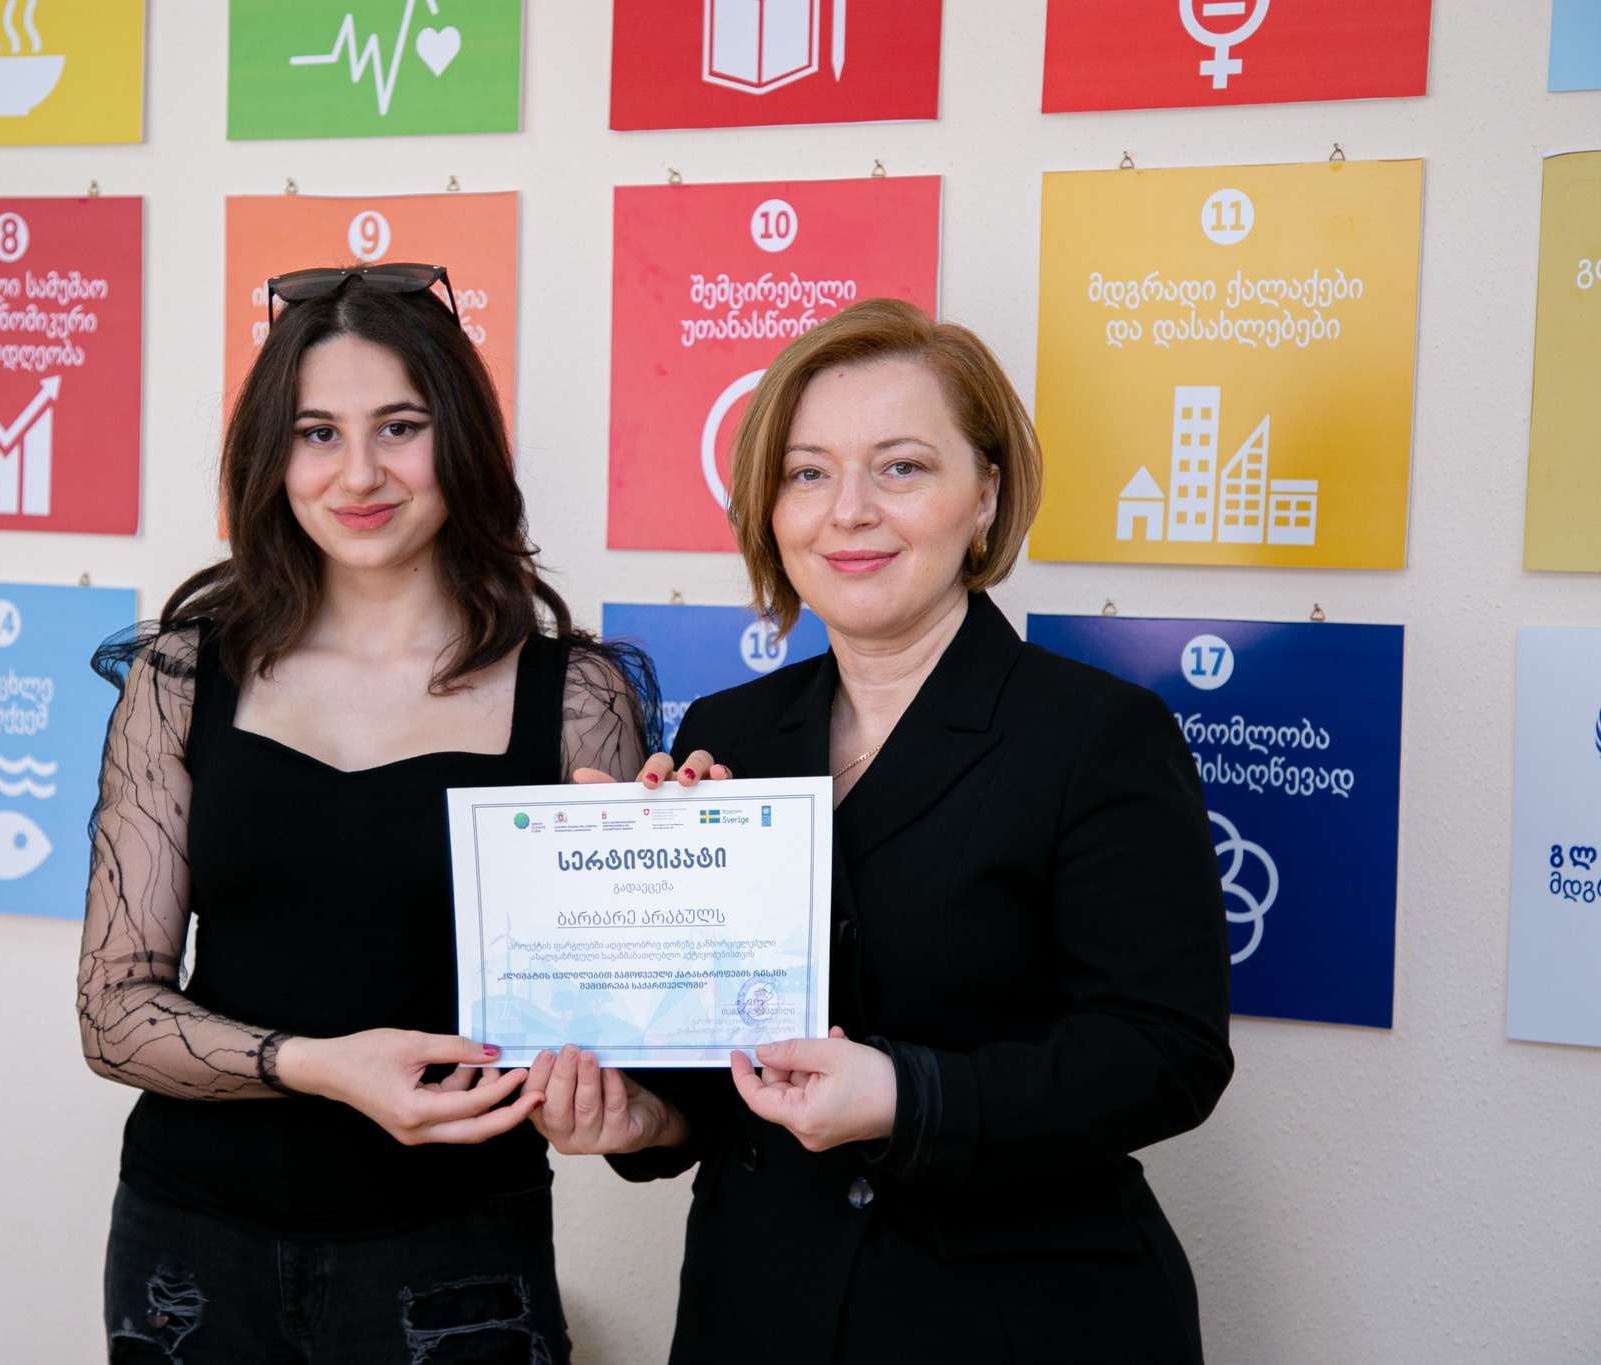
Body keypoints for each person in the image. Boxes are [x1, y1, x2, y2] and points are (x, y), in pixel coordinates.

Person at [525, 298, 1233, 1363]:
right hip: (758, 1311)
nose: (848, 511)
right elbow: (728, 1056)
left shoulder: (1097, 734)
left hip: (1013, 1322)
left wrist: (908, 1097)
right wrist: (645, 1116)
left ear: (984, 495)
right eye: (807, 473)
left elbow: (1166, 1054)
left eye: (900, 467)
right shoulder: (729, 733)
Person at [79, 263, 653, 1363]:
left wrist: (697, 849)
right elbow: (113, 1013)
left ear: (461, 441)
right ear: (271, 455)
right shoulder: (181, 678)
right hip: (188, 1253)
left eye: (399, 426)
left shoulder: (574, 697)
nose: (358, 473)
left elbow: (627, 1025)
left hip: (456, 1254)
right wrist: (320, 1064)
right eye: (317, 433)